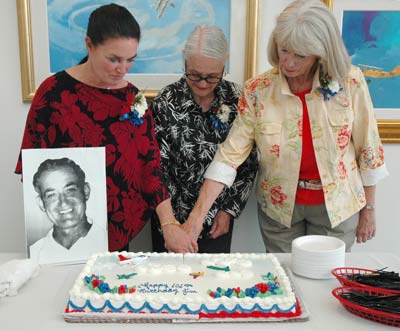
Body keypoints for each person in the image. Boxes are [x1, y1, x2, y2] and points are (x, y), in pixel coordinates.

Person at [182, 0, 389, 253]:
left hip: (337, 206)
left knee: (322, 282)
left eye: (300, 55)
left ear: (321, 52)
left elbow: (368, 148)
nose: (288, 63)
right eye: (284, 51)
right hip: (280, 209)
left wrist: (370, 208)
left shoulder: (350, 82)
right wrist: (196, 219)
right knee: (283, 282)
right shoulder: (258, 90)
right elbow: (228, 157)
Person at [15, 3, 181, 252]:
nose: (122, 69)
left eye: (130, 60)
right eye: (114, 59)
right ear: (89, 45)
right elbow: (32, 170)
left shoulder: (132, 97)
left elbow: (150, 165)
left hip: (118, 233)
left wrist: (169, 224)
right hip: (63, 232)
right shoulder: (53, 93)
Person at [151, 26, 258, 253]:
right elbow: (155, 167)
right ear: (185, 63)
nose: (201, 83)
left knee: (214, 284)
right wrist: (169, 223)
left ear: (224, 66)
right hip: (170, 220)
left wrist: (228, 210)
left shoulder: (238, 100)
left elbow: (248, 163)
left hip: (216, 220)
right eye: (194, 75)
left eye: (211, 77)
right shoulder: (166, 101)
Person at [30, 158, 107, 264]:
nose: (63, 202)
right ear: (41, 203)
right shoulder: (35, 252)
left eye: (70, 190)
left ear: (85, 191)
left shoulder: (107, 243)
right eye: (51, 195)